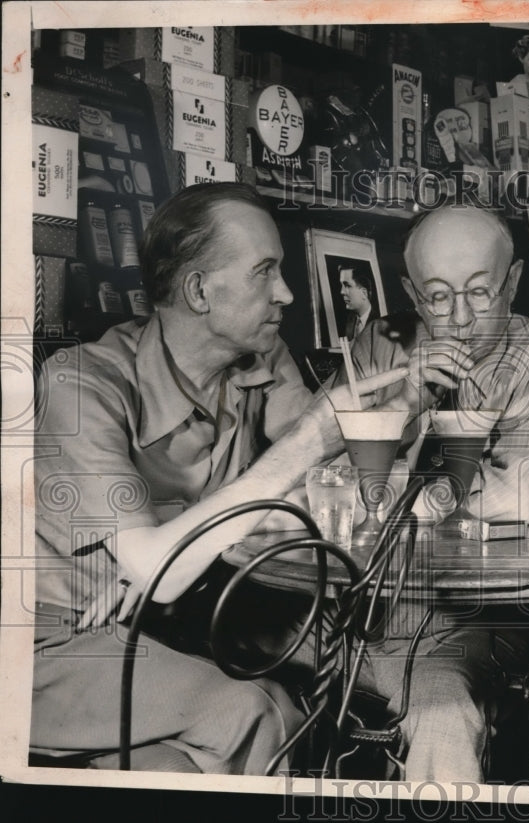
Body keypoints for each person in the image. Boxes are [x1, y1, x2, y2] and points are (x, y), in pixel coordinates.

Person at [30, 183, 405, 774]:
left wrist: (162, 552)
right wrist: (304, 444)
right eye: (265, 272)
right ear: (199, 290)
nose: (285, 293)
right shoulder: (80, 385)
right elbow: (289, 469)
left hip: (172, 624)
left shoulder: (261, 356)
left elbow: (318, 498)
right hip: (54, 644)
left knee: (327, 683)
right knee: (254, 713)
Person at [341, 204, 529, 781]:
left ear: (515, 282)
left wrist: (386, 489)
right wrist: (404, 403)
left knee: (436, 702)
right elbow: (317, 478)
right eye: (437, 296)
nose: (458, 319)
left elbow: (520, 500)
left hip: (494, 608)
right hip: (367, 604)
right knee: (245, 661)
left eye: (480, 293)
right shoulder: (382, 343)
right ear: (410, 290)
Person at [339, 264, 377, 341]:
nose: (342, 292)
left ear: (364, 293)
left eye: (348, 286)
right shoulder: (347, 322)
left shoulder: (379, 322)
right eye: (342, 285)